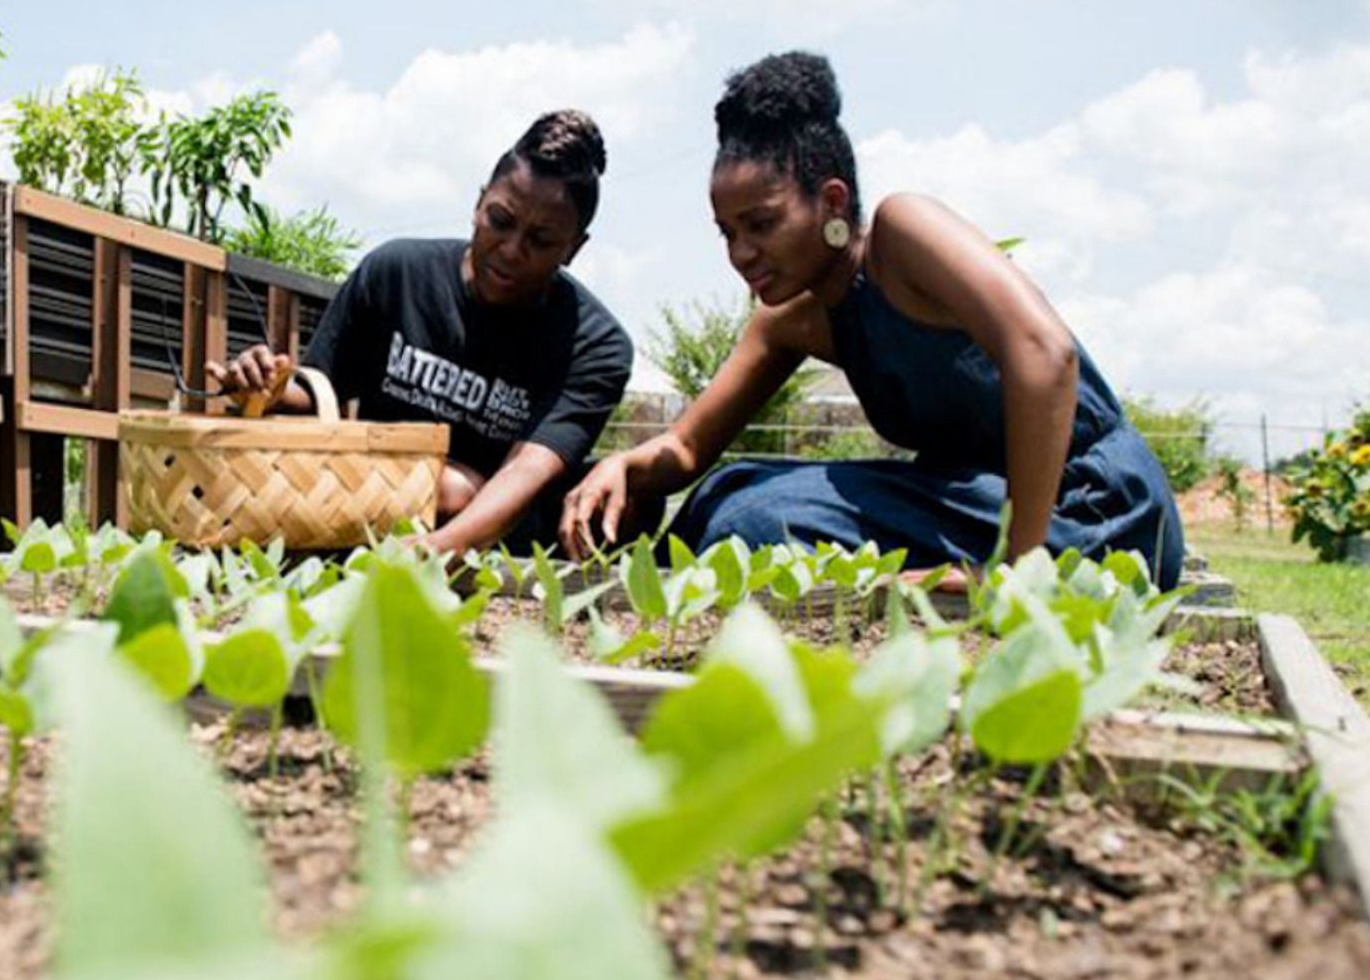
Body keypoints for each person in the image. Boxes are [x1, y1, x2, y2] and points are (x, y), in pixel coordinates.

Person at [559, 52, 1184, 590]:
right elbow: (688, 447)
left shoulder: (901, 235)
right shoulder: (790, 318)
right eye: (727, 232)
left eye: (762, 223)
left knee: (748, 522)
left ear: (831, 201)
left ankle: (1004, 569)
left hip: (1090, 508)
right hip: (972, 497)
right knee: (727, 493)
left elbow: (1047, 356)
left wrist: (1016, 573)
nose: (741, 253)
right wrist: (625, 466)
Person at [211, 111, 635, 554]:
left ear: (574, 248)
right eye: (500, 221)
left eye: (541, 241)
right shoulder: (395, 273)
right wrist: (268, 387)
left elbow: (528, 468)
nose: (511, 250)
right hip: (382, 492)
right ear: (478, 203)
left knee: (631, 503)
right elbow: (321, 393)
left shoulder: (594, 343)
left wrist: (441, 547)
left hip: (507, 514)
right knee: (452, 488)